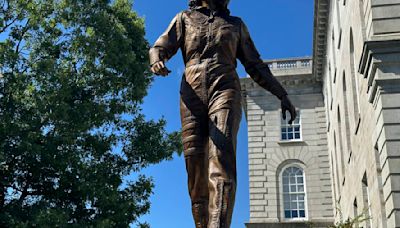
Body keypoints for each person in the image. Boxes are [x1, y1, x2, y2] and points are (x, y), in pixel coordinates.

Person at [149, 0, 296, 227]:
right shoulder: (184, 19)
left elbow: (255, 65)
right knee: (195, 172)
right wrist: (157, 59)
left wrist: (281, 94)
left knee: (221, 159)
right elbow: (160, 46)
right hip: (191, 94)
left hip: (225, 87)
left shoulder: (235, 25)